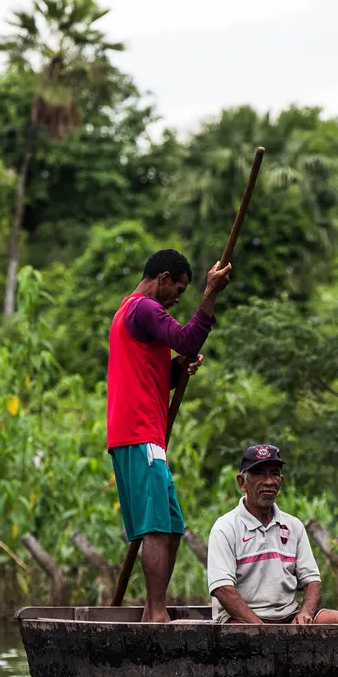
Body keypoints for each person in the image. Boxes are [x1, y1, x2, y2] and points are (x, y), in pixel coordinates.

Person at [107, 248, 232, 623]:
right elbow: (188, 339)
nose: (179, 297)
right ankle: (158, 613)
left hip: (143, 435)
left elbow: (155, 371)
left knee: (172, 526)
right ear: (162, 278)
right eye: (178, 288)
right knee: (157, 528)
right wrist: (210, 294)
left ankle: (151, 611)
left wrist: (176, 368)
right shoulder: (142, 307)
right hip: (138, 432)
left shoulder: (130, 313)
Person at [207, 444, 338, 625]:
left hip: (287, 617)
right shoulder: (225, 528)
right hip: (241, 621)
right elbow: (223, 589)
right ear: (242, 482)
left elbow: (312, 581)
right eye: (259, 474)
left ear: (281, 480)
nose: (269, 481)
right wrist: (258, 627)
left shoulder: (293, 526)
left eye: (274, 474)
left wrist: (305, 614)